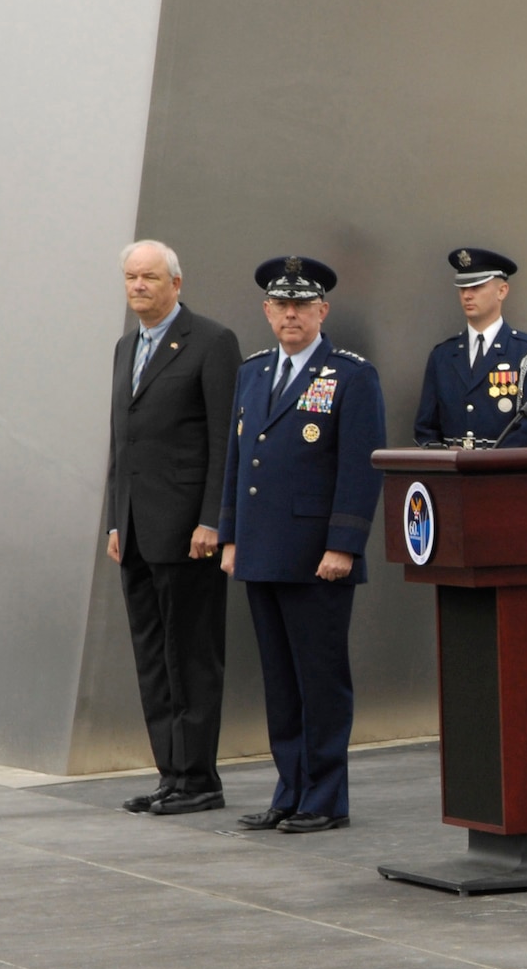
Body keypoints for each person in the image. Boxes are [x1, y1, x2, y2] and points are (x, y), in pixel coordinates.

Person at [218, 256, 387, 833]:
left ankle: (324, 797)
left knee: (319, 679)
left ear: (322, 311)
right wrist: (231, 534)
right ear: (267, 312)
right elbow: (238, 461)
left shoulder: (352, 375)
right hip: (262, 549)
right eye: (281, 305)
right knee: (280, 681)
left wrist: (344, 545)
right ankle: (289, 788)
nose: (291, 315)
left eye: (302, 305)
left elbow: (360, 469)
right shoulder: (254, 372)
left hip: (318, 556)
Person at [103, 240, 241, 815]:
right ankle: (171, 773)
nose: (139, 286)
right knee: (153, 655)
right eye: (132, 277)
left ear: (176, 284)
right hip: (136, 529)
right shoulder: (125, 345)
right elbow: (123, 440)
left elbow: (223, 441)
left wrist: (214, 518)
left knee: (192, 654)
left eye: (151, 277)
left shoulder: (212, 342)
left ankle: (200, 779)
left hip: (189, 532)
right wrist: (116, 518)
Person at [413, 246, 527, 447]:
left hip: (506, 473)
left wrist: (490, 462)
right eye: (463, 288)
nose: (467, 295)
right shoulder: (442, 355)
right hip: (453, 473)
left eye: (477, 287)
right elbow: (426, 428)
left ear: (502, 291)